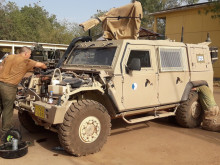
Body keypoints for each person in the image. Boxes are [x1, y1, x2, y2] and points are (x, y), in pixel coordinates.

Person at [0, 46, 47, 140]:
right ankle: (6, 132)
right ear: (26, 54)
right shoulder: (26, 61)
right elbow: (41, 65)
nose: (29, 56)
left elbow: (1, 67)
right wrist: (46, 67)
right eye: (29, 54)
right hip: (9, 87)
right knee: (8, 109)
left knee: (1, 106)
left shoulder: (9, 57)